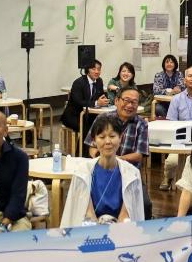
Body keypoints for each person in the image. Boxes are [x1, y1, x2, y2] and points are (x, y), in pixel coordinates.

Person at [61, 114, 145, 227]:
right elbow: (88, 215)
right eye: (102, 137)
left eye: (112, 136)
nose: (108, 141)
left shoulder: (132, 173)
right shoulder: (82, 172)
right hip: (90, 229)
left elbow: (126, 216)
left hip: (120, 229)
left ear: (120, 138)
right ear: (94, 140)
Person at [84, 86, 152, 219]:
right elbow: (91, 147)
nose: (130, 105)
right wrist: (103, 157)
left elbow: (139, 155)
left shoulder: (141, 124)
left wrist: (116, 160)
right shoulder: (103, 119)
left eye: (134, 102)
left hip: (129, 174)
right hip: (101, 171)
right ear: (116, 101)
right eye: (126, 100)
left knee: (145, 204)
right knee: (85, 198)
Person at [61, 58, 110, 140]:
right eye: (93, 69)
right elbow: (78, 102)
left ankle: (96, 147)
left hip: (89, 115)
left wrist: (104, 100)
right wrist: (96, 103)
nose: (97, 71)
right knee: (88, 128)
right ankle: (82, 148)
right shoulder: (79, 82)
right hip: (74, 116)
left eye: (99, 69)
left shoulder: (99, 81)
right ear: (87, 70)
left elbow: (101, 96)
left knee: (105, 125)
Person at [153, 54, 185, 118]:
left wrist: (178, 89)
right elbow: (156, 90)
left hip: (177, 103)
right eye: (167, 62)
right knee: (158, 108)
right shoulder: (159, 75)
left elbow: (182, 88)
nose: (169, 64)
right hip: (163, 103)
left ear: (175, 64)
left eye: (171, 62)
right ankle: (168, 120)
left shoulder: (179, 74)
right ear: (164, 64)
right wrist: (171, 91)